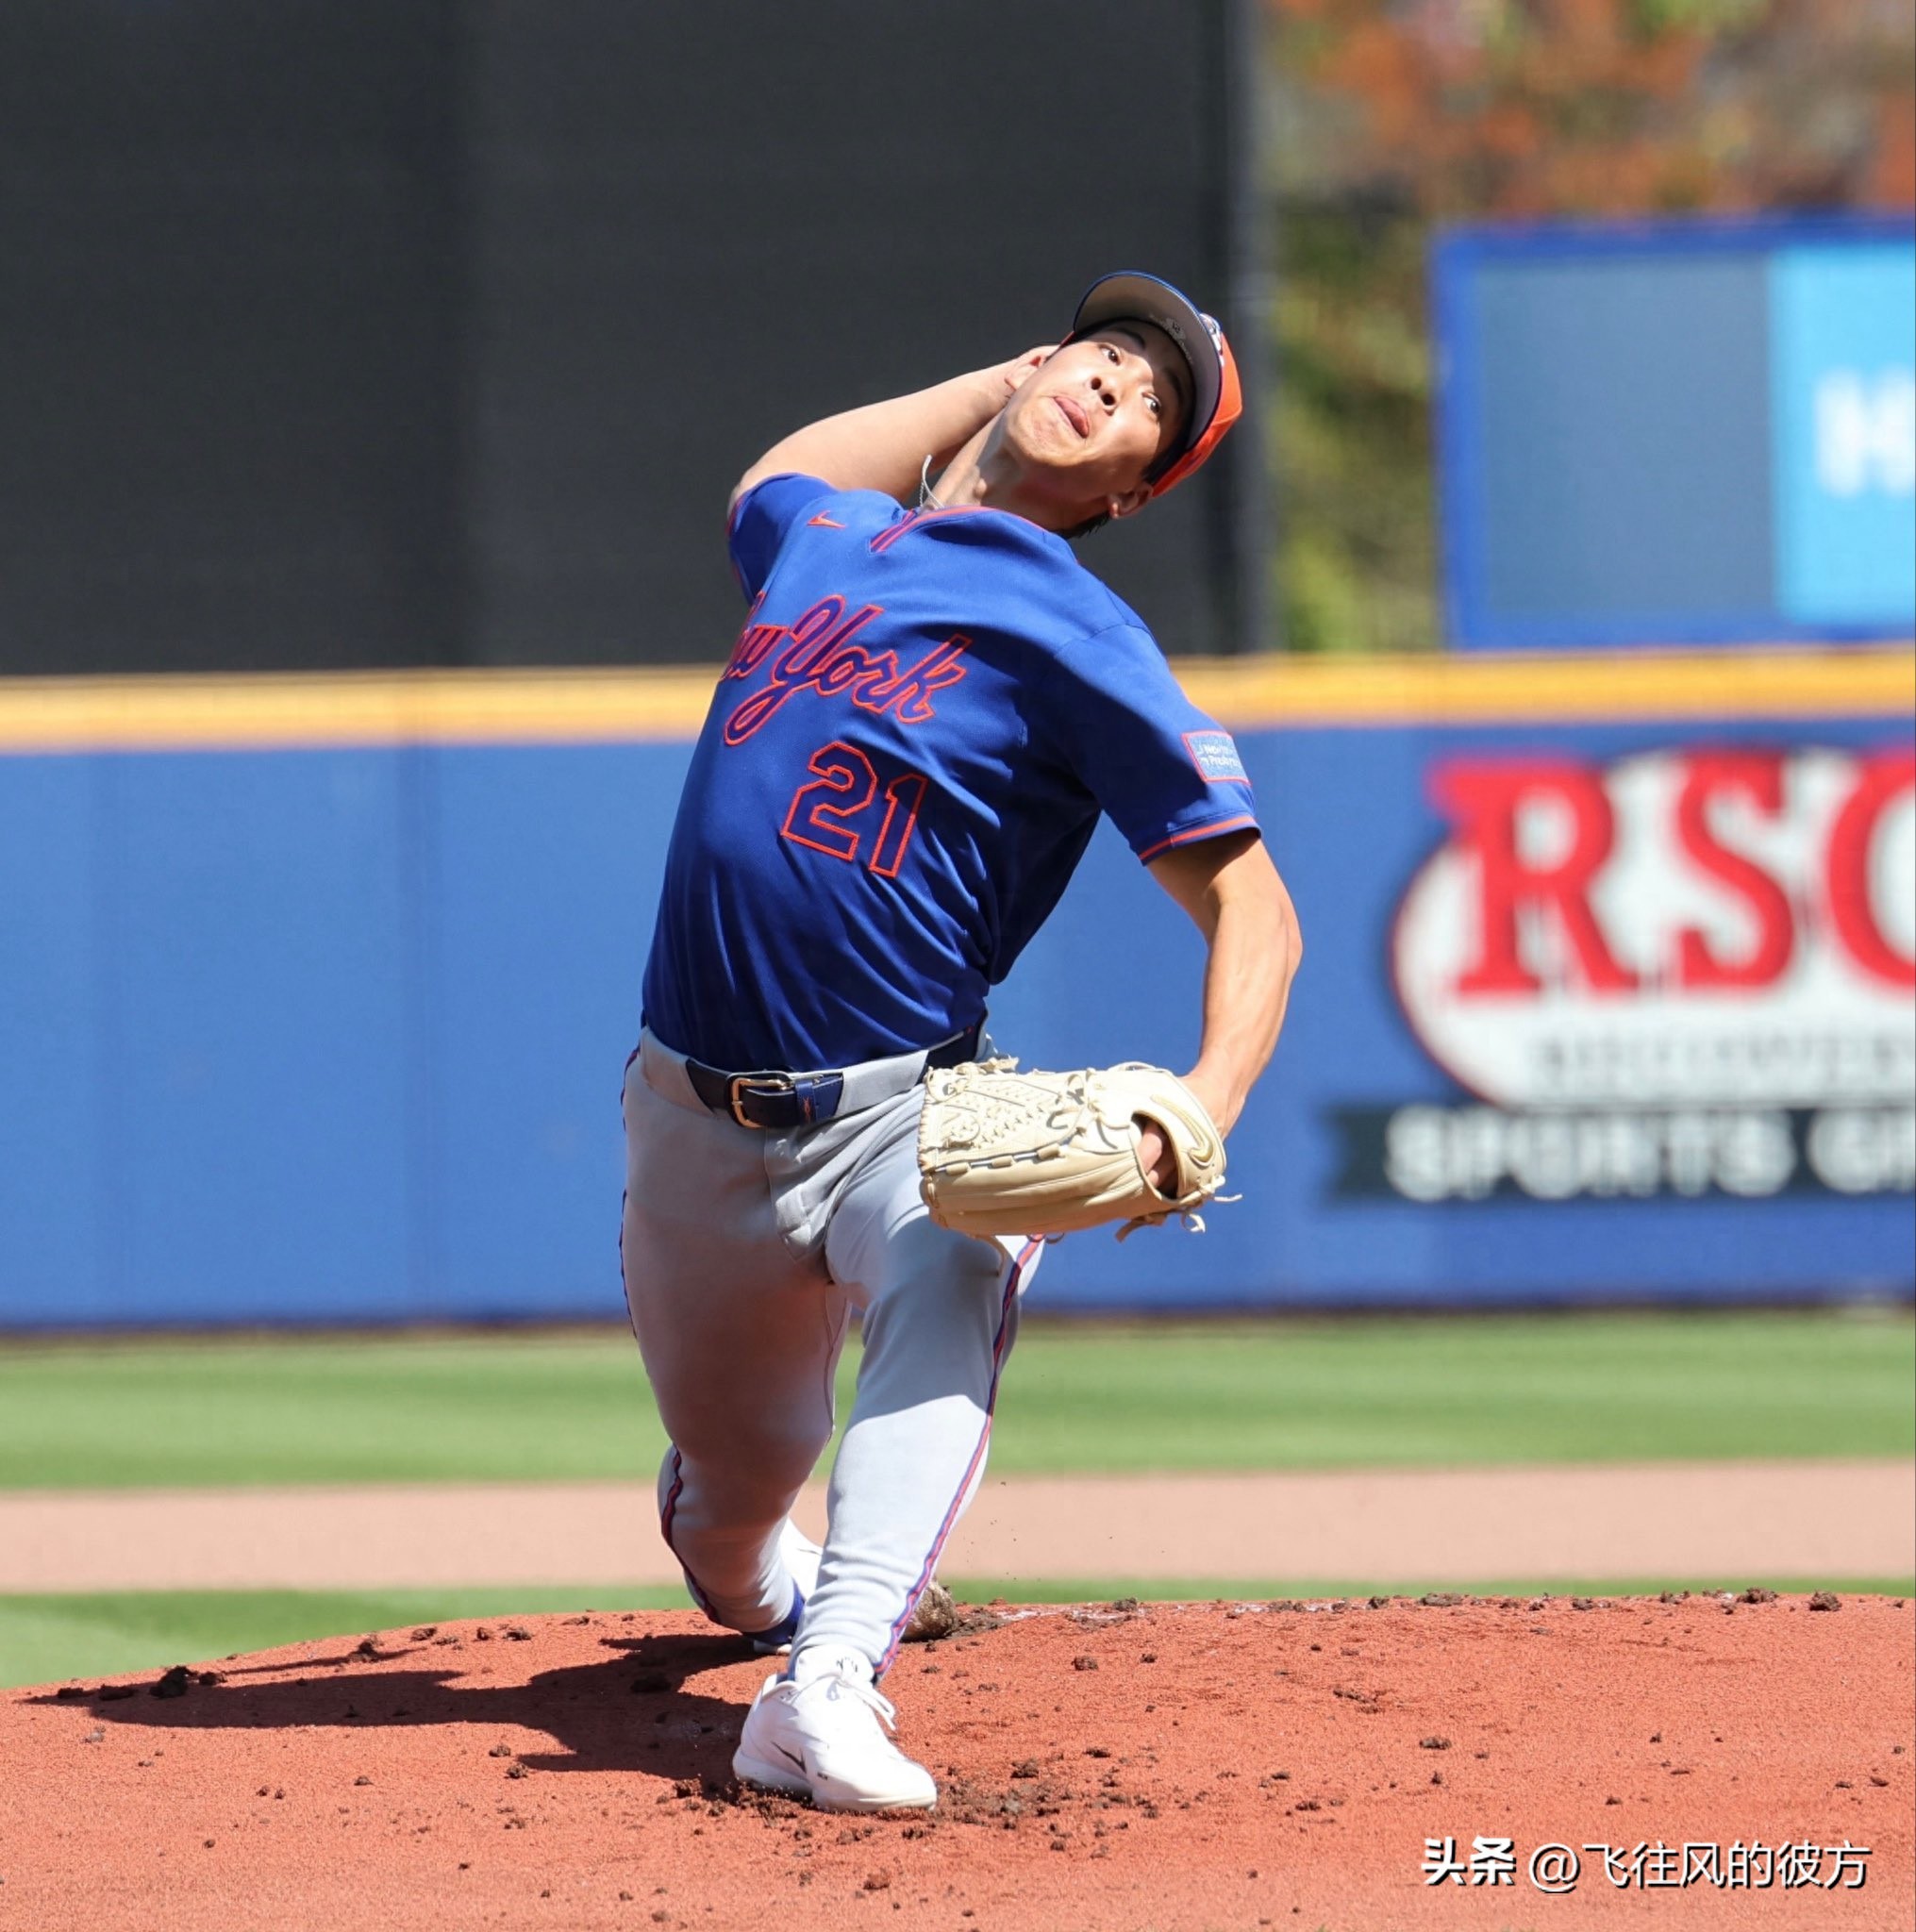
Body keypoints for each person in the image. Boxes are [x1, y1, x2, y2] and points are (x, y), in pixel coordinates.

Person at [622, 271, 1303, 1811]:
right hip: (689, 1111)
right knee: (732, 1509)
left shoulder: (1082, 627)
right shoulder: (831, 539)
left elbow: (1259, 910)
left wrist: (1207, 1098)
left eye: (1145, 409)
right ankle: (761, 1579)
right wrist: (988, 383)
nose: (1116, 389)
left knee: (967, 1254)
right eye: (1106, 357)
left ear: (1131, 489)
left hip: (892, 1112)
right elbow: (769, 475)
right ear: (1041, 357)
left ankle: (829, 1682)